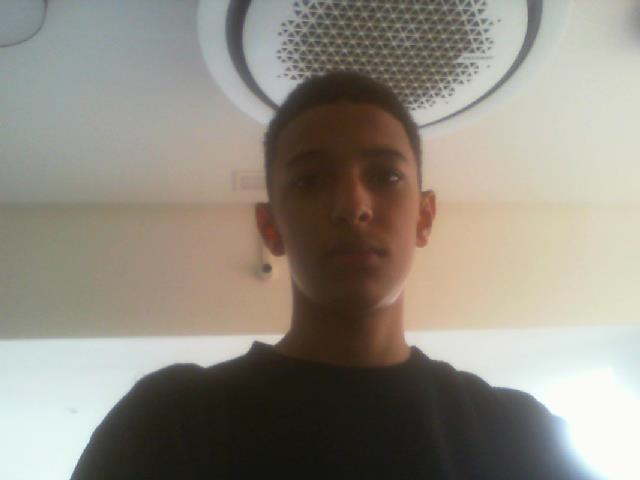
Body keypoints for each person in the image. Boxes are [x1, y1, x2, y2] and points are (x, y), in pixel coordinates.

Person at [70, 72, 597, 479]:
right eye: (310, 180)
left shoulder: (521, 434)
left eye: (386, 175)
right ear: (270, 227)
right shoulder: (169, 425)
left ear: (424, 217)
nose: (351, 205)